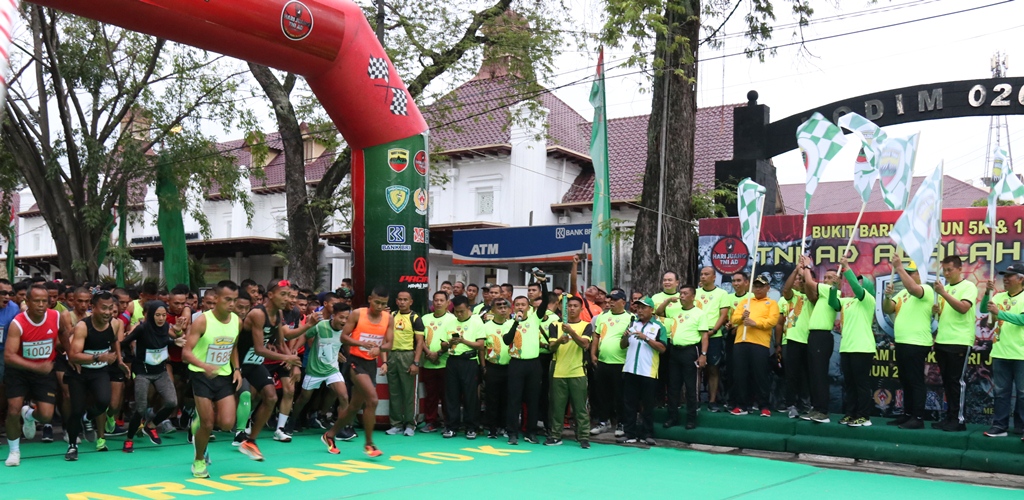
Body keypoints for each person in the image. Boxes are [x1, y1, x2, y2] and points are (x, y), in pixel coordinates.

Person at [182, 280, 242, 478]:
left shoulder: (237, 321)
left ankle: (199, 421)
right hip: (201, 375)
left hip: (223, 375)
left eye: (234, 300)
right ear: (215, 299)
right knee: (208, 423)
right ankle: (199, 460)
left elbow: (233, 346)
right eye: (227, 300)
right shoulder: (203, 321)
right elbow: (186, 353)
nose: (232, 304)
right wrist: (205, 366)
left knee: (226, 424)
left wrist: (237, 369)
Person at [324, 285, 393, 457]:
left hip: (370, 363)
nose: (379, 306)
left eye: (383, 303)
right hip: (355, 361)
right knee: (372, 400)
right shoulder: (358, 314)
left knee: (354, 406)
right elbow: (344, 337)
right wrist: (361, 344)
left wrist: (379, 349)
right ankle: (369, 444)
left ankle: (330, 435)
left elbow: (389, 344)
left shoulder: (388, 318)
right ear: (370, 299)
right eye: (376, 302)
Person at [3, 284, 61, 467]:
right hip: (19, 371)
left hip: (44, 372)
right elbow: (9, 356)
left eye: (45, 301)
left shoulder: (56, 316)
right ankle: (14, 451)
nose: (42, 304)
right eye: (37, 301)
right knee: (13, 409)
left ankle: (29, 415)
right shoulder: (17, 323)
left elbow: (62, 339)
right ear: (27, 302)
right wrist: (36, 367)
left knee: (45, 416)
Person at [65, 292, 126, 458]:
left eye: (110, 309)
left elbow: (114, 341)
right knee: (76, 409)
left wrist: (119, 361)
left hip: (99, 371)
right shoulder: (83, 327)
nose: (107, 312)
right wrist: (98, 357)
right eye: (103, 308)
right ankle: (72, 446)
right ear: (93, 308)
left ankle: (88, 417)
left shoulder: (113, 324)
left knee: (104, 401)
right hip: (79, 373)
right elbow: (73, 355)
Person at [291, 304, 352, 454]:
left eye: (347, 318)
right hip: (314, 370)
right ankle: (292, 420)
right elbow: (306, 336)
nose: (344, 320)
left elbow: (345, 345)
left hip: (332, 369)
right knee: (303, 398)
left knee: (344, 396)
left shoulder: (346, 331)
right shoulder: (321, 326)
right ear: (334, 316)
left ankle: (340, 428)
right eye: (341, 317)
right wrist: (294, 351)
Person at [882, 256, 934, 429]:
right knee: (904, 380)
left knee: (915, 380)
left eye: (913, 273)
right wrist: (887, 297)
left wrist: (899, 268)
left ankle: (918, 417)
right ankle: (907, 413)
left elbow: (913, 288)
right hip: (903, 342)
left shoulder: (925, 290)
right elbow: (888, 309)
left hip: (917, 342)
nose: (910, 276)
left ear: (922, 275)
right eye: (909, 272)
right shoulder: (903, 293)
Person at [121, 301, 179, 452]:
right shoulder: (142, 328)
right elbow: (124, 342)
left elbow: (163, 341)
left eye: (163, 315)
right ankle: (129, 439)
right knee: (140, 409)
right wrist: (121, 358)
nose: (161, 318)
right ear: (151, 315)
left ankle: (151, 425)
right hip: (143, 372)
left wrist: (175, 341)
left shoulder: (166, 327)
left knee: (172, 402)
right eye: (157, 315)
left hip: (160, 372)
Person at [932, 255, 978, 432]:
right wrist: (937, 310)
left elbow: (963, 308)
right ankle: (949, 417)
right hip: (942, 339)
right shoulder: (946, 289)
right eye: (944, 270)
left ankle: (959, 420)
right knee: (946, 382)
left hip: (959, 341)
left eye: (950, 269)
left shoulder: (968, 286)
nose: (946, 273)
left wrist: (943, 293)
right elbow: (947, 312)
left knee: (956, 382)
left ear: (960, 269)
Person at [505, 275, 552, 445]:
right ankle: (512, 432)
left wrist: (544, 283)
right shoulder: (510, 321)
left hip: (533, 364)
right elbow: (506, 340)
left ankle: (531, 432)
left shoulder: (535, 317)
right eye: (517, 305)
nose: (520, 307)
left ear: (528, 306)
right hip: (516, 364)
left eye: (523, 305)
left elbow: (546, 300)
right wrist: (515, 323)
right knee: (514, 399)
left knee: (533, 399)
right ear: (514, 306)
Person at [830, 256, 876, 427]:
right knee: (849, 384)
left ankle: (864, 416)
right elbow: (833, 303)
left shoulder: (868, 301)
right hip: (847, 347)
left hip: (863, 347)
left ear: (868, 288)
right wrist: (834, 288)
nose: (858, 284)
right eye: (858, 282)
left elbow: (857, 289)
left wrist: (846, 267)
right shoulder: (848, 302)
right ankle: (851, 413)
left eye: (862, 283)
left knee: (861, 384)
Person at [728, 276, 779, 417]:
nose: (758, 289)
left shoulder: (771, 303)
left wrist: (754, 323)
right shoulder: (745, 302)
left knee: (761, 375)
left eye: (761, 286)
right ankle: (741, 405)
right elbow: (734, 319)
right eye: (755, 286)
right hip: (740, 342)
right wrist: (741, 318)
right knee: (740, 375)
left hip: (760, 343)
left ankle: (764, 406)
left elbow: (772, 321)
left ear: (768, 288)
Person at [545, 296, 592, 448]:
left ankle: (583, 437)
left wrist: (571, 332)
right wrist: (559, 340)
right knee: (557, 408)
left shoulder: (586, 325)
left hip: (577, 372)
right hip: (559, 372)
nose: (571, 308)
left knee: (580, 408)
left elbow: (585, 344)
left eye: (575, 306)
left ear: (581, 309)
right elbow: (551, 347)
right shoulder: (555, 325)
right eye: (569, 306)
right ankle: (555, 435)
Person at [618, 297, 666, 445]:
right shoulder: (633, 324)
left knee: (647, 405)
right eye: (638, 308)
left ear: (651, 310)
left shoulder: (658, 327)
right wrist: (625, 337)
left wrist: (646, 338)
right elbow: (622, 345)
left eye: (643, 308)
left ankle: (647, 434)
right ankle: (630, 433)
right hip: (631, 370)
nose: (639, 311)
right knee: (629, 404)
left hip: (648, 372)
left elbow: (663, 348)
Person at [983, 264, 1024, 438]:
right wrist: (987, 294)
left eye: (1010, 276)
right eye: (1004, 276)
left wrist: (999, 313)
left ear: (1021, 279)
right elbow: (985, 310)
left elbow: (1022, 320)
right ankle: (1000, 427)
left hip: (1021, 354)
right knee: (1001, 392)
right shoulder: (999, 297)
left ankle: (1021, 428)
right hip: (1000, 352)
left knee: (1023, 393)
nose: (1005, 279)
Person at [799, 256, 840, 423]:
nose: (826, 280)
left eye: (830, 277)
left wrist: (808, 266)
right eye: (825, 277)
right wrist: (802, 269)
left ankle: (822, 411)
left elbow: (809, 283)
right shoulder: (822, 294)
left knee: (820, 374)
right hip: (814, 335)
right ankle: (816, 408)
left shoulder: (831, 291)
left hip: (822, 336)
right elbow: (807, 285)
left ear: (838, 280)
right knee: (814, 374)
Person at [665, 285, 709, 429]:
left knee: (691, 387)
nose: (682, 296)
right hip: (675, 351)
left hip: (690, 351)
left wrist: (703, 355)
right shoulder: (675, 312)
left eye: (685, 293)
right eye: (681, 293)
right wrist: (667, 301)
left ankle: (691, 419)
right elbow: (658, 312)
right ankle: (672, 417)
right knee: (673, 387)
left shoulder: (699, 313)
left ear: (693, 296)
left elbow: (704, 336)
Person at [444, 295, 485, 440]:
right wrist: (449, 343)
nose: (459, 314)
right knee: (452, 395)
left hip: (470, 361)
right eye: (456, 311)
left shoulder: (476, 321)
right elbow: (443, 344)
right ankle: (451, 426)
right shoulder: (450, 322)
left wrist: (463, 340)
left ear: (468, 308)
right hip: (453, 361)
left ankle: (471, 427)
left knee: (470, 396)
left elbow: (481, 345)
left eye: (462, 311)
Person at [590, 289, 630, 436]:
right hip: (602, 361)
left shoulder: (630, 318)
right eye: (610, 300)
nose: (611, 302)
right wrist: (593, 354)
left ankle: (621, 423)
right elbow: (596, 336)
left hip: (620, 363)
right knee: (602, 394)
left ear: (623, 302)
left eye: (615, 300)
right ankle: (603, 421)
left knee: (620, 395)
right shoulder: (602, 317)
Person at [386, 291, 424, 436]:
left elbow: (420, 342)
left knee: (409, 392)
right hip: (393, 354)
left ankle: (410, 424)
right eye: (400, 299)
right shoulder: (392, 316)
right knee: (394, 391)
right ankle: (395, 424)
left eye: (405, 300)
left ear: (411, 302)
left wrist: (416, 362)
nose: (402, 302)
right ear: (396, 301)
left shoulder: (415, 318)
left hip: (408, 354)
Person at [419, 293, 456, 434]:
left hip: (446, 363)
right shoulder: (425, 318)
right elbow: (420, 339)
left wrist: (438, 353)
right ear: (432, 302)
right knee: (431, 395)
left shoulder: (452, 319)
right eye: (436, 300)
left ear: (448, 303)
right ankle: (431, 422)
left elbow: (452, 341)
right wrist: (428, 353)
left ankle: (448, 423)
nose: (439, 303)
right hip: (427, 363)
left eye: (442, 300)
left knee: (448, 396)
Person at [695, 267, 729, 413]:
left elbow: (723, 315)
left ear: (714, 277)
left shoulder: (722, 293)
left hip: (714, 335)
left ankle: (712, 401)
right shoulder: (694, 293)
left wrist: (713, 330)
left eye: (706, 274)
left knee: (713, 369)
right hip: (696, 335)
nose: (703, 277)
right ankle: (695, 400)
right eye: (701, 274)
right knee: (696, 369)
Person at [781, 264, 813, 418]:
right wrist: (796, 271)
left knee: (807, 375)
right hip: (792, 339)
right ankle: (791, 404)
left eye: (801, 279)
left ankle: (805, 404)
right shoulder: (793, 295)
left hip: (809, 340)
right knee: (791, 374)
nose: (798, 281)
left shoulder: (814, 295)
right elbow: (785, 290)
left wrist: (804, 274)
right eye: (797, 279)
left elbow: (810, 288)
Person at [481, 298, 514, 441]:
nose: (502, 309)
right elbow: (481, 349)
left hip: (510, 367)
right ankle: (492, 429)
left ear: (509, 309)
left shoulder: (513, 324)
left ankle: (505, 427)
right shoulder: (486, 326)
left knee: (508, 399)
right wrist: (483, 366)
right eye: (498, 306)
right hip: (492, 367)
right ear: (492, 310)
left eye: (505, 306)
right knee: (492, 399)